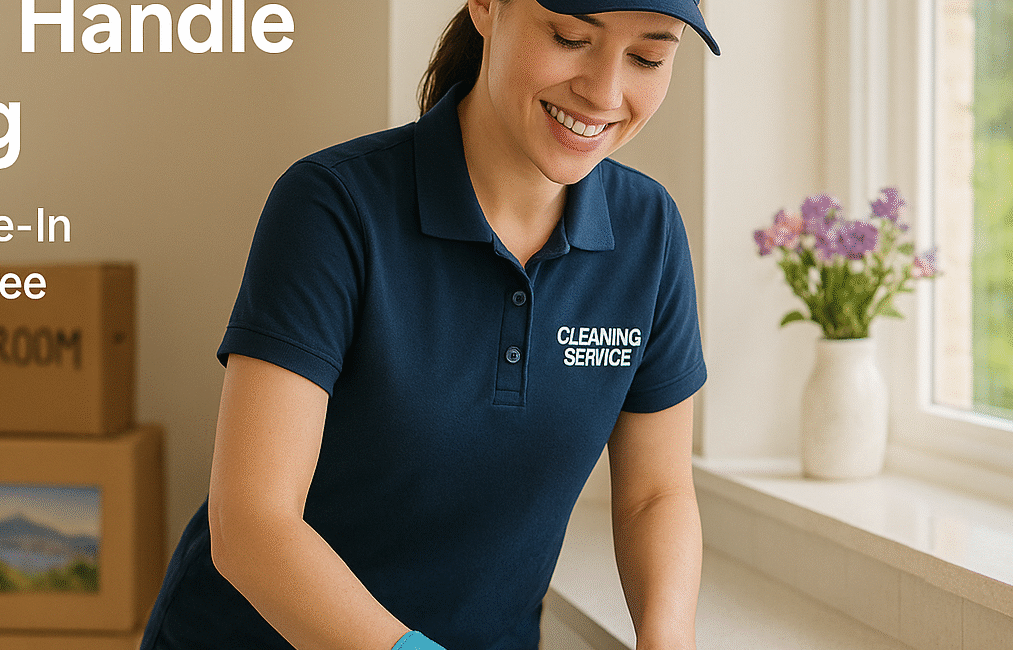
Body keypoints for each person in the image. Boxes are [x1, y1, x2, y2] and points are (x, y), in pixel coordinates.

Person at [141, 1, 720, 648]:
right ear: (486, 6)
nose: (605, 92)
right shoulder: (331, 208)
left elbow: (656, 496)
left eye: (648, 57)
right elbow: (251, 526)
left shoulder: (650, 234)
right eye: (570, 38)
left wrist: (667, 639)